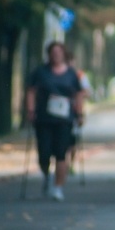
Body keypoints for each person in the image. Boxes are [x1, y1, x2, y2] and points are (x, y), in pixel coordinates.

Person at [25, 41, 86, 201]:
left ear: (63, 54)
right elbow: (31, 91)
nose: (56, 55)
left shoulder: (71, 74)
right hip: (44, 119)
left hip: (64, 120)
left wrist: (79, 114)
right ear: (49, 54)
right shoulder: (40, 72)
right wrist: (30, 110)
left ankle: (58, 187)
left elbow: (78, 94)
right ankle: (46, 175)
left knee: (61, 154)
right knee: (44, 154)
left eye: (59, 52)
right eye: (53, 52)